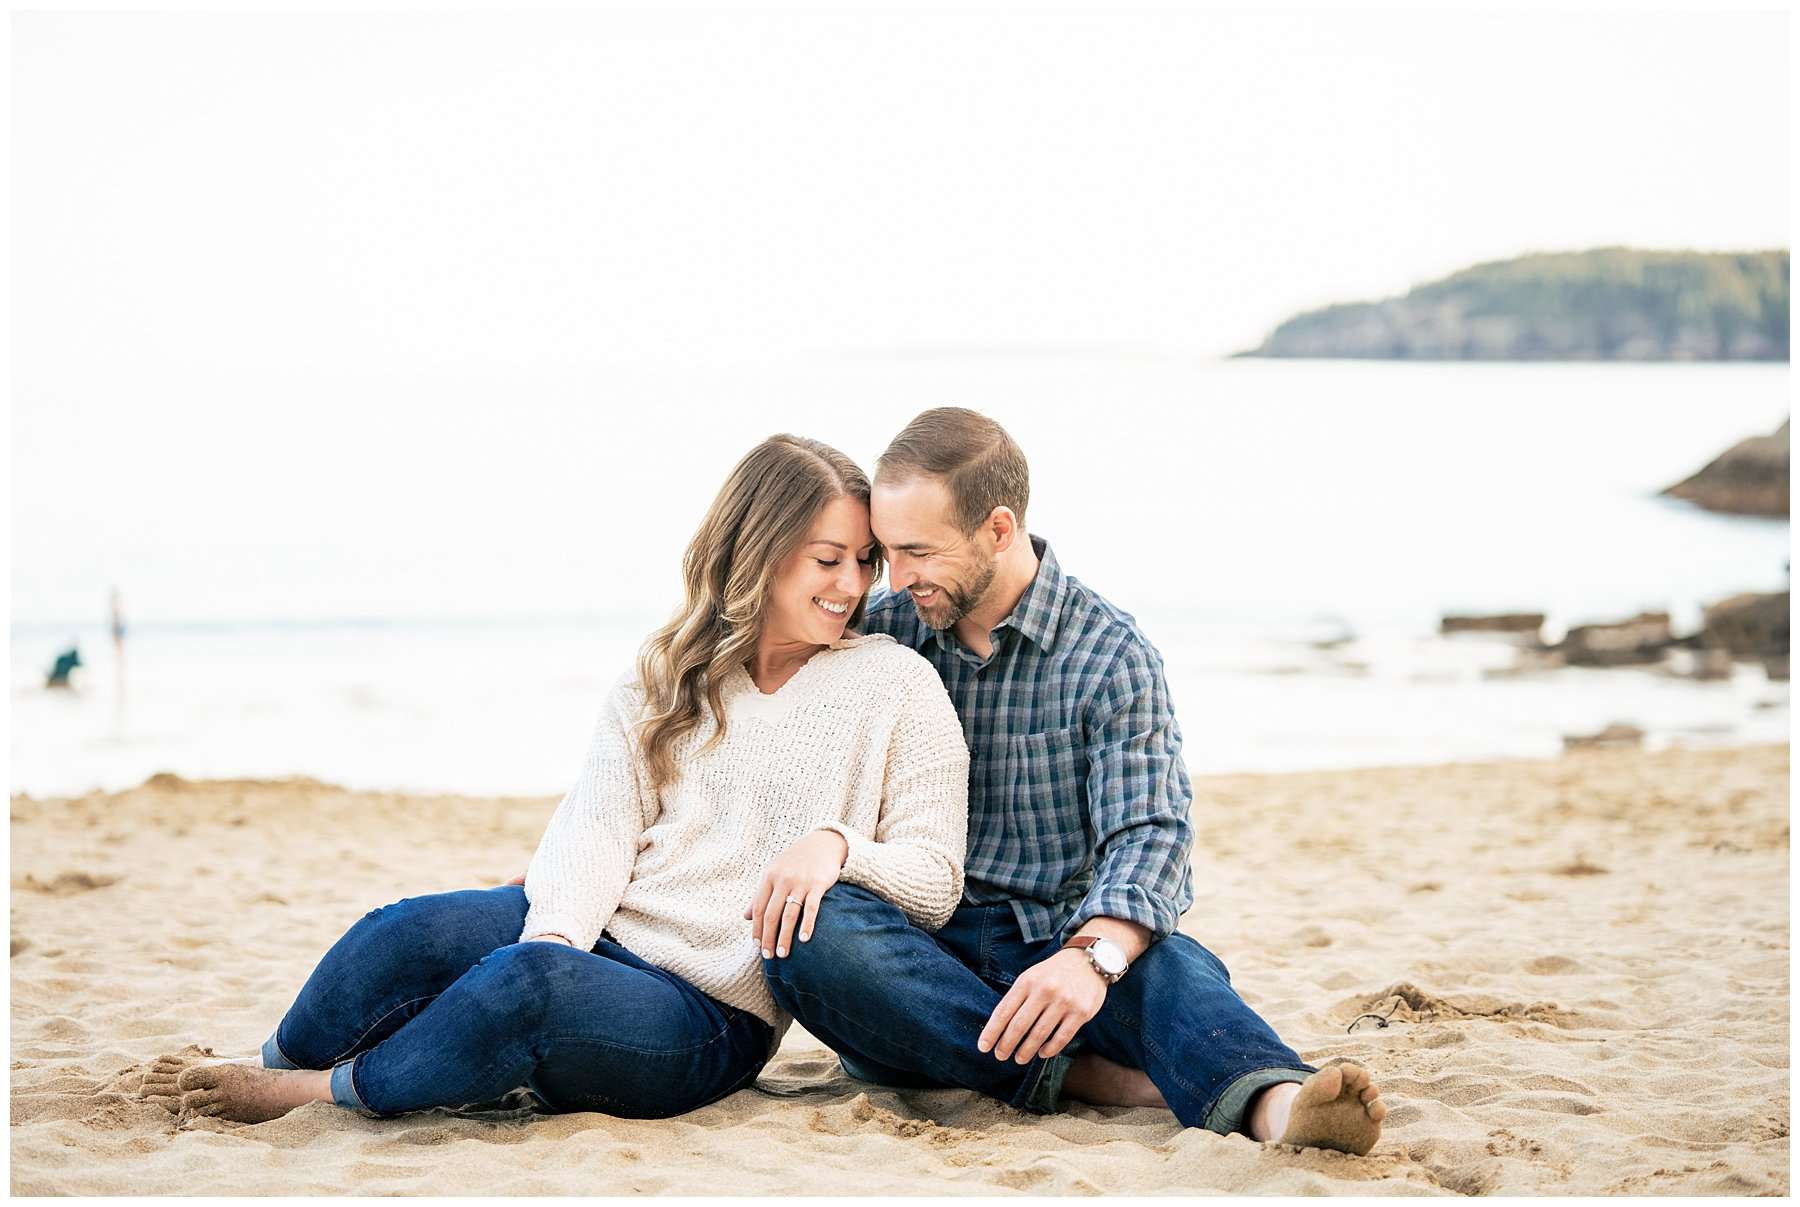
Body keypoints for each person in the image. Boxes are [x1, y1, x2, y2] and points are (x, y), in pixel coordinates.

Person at [143, 435, 970, 1125]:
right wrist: (558, 934)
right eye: (829, 559)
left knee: (526, 988)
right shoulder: (668, 669)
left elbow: (934, 880)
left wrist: (838, 847)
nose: (854, 585)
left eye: (864, 561)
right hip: (609, 930)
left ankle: (315, 1091)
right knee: (408, 929)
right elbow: (599, 826)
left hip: (708, 1013)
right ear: (757, 550)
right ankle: (270, 1061)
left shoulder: (896, 684)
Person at [760, 408, 1388, 1156]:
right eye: (886, 553)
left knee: (1171, 966)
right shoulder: (884, 633)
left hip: (1061, 939)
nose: (895, 579)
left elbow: (1151, 834)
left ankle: (1279, 1104)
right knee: (810, 932)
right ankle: (1081, 1078)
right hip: (920, 953)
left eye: (919, 552)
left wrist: (1091, 958)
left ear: (998, 528)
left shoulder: (1110, 653)